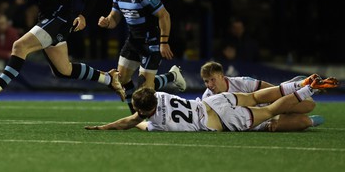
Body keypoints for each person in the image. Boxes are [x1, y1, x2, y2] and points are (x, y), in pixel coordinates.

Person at [85, 74, 339, 132]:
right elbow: (141, 107)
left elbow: (132, 122)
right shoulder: (159, 95)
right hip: (212, 103)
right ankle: (302, 84)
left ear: (144, 111)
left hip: (219, 121)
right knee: (263, 96)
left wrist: (104, 127)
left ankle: (309, 92)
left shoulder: (156, 123)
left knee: (272, 110)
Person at [98, 0, 178, 113]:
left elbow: (164, 15)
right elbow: (114, 19)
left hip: (150, 42)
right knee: (121, 80)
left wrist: (164, 42)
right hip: (133, 41)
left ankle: (172, 76)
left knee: (145, 88)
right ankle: (134, 114)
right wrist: (106, 22)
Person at [200, 61, 321, 131]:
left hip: (270, 105)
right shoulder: (206, 98)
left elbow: (273, 91)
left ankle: (293, 86)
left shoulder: (242, 82)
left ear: (221, 76)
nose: (209, 85)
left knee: (309, 105)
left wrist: (276, 117)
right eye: (206, 81)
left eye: (212, 79)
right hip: (257, 120)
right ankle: (311, 119)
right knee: (304, 122)